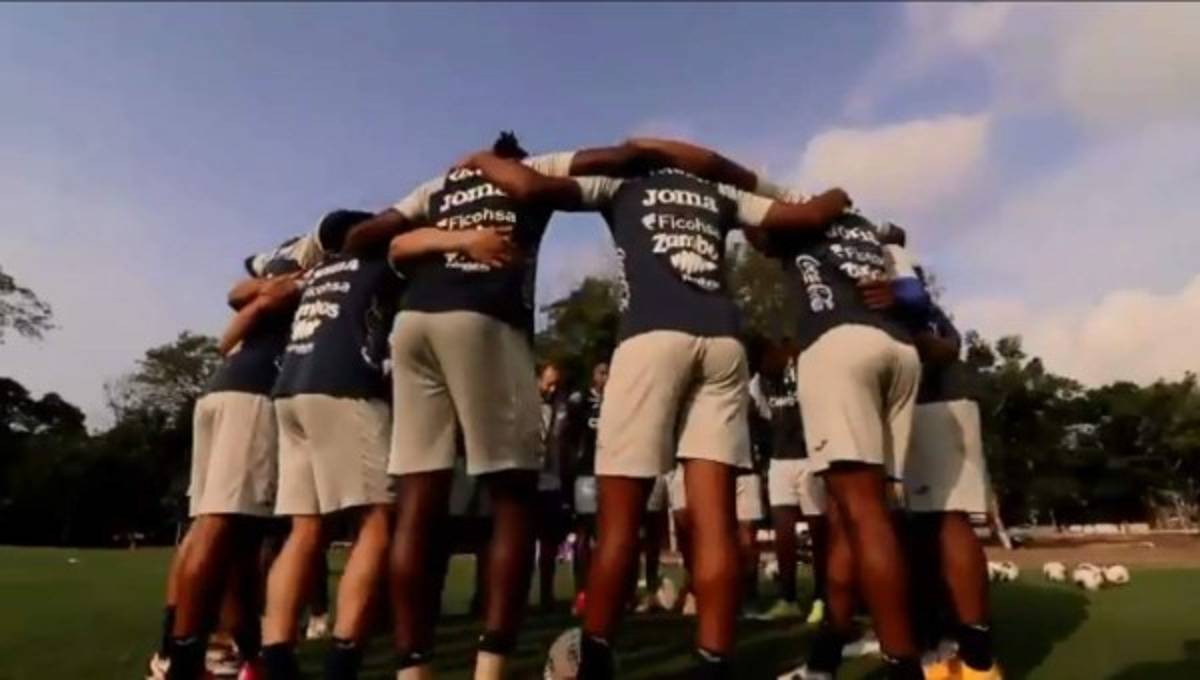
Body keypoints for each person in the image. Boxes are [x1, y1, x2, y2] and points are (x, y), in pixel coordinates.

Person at [456, 139, 851, 678]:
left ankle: (592, 662)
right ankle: (715, 661)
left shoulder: (621, 182)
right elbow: (809, 213)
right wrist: (838, 194)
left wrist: (479, 160)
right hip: (722, 344)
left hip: (650, 338)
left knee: (618, 523)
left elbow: (525, 185)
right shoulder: (718, 191)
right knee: (713, 522)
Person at [761, 209, 926, 680]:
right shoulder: (873, 237)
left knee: (863, 514)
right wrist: (895, 292)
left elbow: (759, 230)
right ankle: (826, 653)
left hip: (840, 348)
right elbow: (915, 294)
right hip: (899, 352)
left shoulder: (801, 224)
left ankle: (903, 663)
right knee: (853, 512)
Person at [258, 209, 402, 680]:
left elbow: (256, 274)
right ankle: (343, 663)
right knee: (375, 522)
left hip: (291, 390)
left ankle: (277, 658)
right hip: (342, 387)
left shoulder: (318, 271)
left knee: (305, 531)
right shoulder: (384, 260)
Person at [164, 235, 313, 680]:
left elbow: (232, 314)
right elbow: (240, 297)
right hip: (255, 393)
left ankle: (245, 655)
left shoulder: (274, 280)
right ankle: (184, 663)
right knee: (221, 526)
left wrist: (260, 296)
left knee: (236, 537)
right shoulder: (315, 270)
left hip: (224, 389)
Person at [889, 261, 999, 680]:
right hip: (933, 409)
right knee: (917, 532)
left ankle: (975, 658)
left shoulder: (903, 298)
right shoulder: (915, 298)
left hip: (932, 408)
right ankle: (943, 640)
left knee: (948, 522)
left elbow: (943, 348)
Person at [755, 339, 829, 624]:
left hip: (810, 458)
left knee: (819, 532)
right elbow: (762, 418)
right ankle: (788, 598)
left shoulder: (812, 371)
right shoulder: (760, 381)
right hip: (779, 461)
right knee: (783, 532)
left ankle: (822, 598)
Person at [566, 362, 608, 613]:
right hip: (586, 474)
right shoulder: (580, 400)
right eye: (602, 372)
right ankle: (582, 591)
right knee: (585, 531)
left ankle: (610, 591)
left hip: (615, 472)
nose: (607, 377)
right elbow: (569, 437)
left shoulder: (621, 397)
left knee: (609, 534)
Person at [536, 362, 574, 612]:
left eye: (556, 383)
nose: (552, 388)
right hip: (527, 478)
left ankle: (546, 595)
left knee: (550, 542)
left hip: (552, 480)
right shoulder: (525, 404)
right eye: (549, 382)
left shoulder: (563, 407)